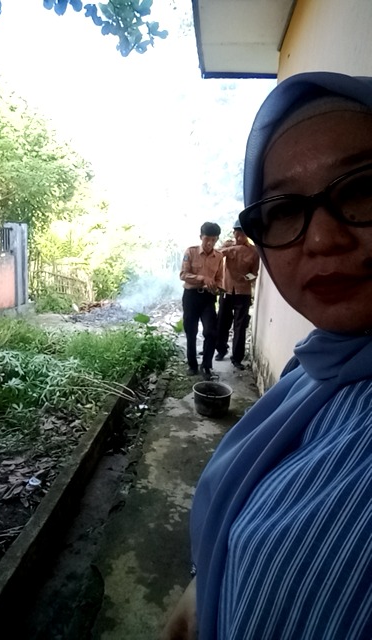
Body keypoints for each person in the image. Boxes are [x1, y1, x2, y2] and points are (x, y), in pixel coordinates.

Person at [162, 71, 372, 640]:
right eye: (283, 210)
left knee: (221, 336)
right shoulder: (318, 367)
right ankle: (197, 365)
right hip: (199, 296)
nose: (321, 239)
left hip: (229, 298)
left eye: (362, 188)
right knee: (196, 337)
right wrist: (206, 585)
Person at [180, 222, 224, 380]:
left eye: (213, 240)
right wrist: (202, 278)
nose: (210, 243)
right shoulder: (191, 252)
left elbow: (219, 278)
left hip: (208, 298)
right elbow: (183, 275)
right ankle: (192, 365)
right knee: (191, 331)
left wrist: (217, 287)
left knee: (211, 332)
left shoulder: (219, 256)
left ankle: (206, 365)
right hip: (191, 296)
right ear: (201, 237)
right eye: (207, 239)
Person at [215, 220, 259, 369]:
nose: (238, 236)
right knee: (222, 322)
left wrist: (246, 278)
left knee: (240, 326)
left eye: (242, 233)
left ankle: (237, 358)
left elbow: (255, 273)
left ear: (247, 235)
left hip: (243, 292)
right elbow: (216, 255)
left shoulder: (253, 251)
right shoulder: (228, 246)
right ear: (233, 233)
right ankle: (221, 350)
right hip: (226, 290)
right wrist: (228, 248)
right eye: (236, 233)